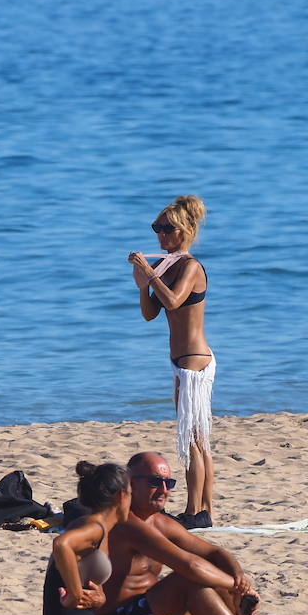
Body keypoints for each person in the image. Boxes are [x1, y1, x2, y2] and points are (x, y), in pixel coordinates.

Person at [103, 452, 308, 615]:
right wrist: (236, 586)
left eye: (169, 483)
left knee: (214, 569)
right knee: (190, 579)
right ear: (130, 483)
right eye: (155, 482)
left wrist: (239, 577)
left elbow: (216, 552)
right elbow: (190, 566)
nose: (164, 490)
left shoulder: (160, 522)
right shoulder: (126, 523)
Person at [127, 195, 215, 528]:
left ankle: (196, 512)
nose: (160, 236)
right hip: (181, 361)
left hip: (195, 360)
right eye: (157, 228)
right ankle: (204, 510)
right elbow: (152, 313)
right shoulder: (169, 265)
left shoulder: (190, 266)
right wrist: (142, 285)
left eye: (167, 229)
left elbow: (175, 302)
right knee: (198, 439)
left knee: (192, 439)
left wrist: (149, 272)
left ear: (185, 231)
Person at [40, 462, 176, 615]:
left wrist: (100, 598)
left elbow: (93, 580)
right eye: (130, 494)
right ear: (121, 497)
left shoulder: (103, 530)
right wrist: (75, 594)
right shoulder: (92, 526)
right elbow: (61, 544)